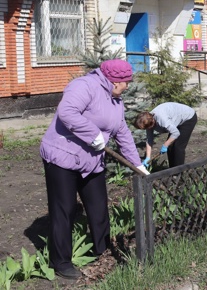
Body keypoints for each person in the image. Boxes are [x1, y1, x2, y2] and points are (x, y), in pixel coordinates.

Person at [40, 59, 147, 280]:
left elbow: (123, 133)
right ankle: (60, 261)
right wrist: (93, 134)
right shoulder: (84, 86)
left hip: (91, 162)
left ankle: (102, 250)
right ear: (115, 80)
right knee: (65, 209)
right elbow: (67, 112)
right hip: (63, 157)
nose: (128, 86)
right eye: (126, 82)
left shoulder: (116, 100)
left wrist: (137, 165)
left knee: (98, 208)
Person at [135, 102, 198, 168]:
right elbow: (149, 139)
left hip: (188, 118)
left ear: (152, 123)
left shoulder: (162, 120)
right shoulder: (147, 120)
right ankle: (172, 170)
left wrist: (165, 145)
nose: (147, 129)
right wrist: (147, 157)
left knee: (178, 147)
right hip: (176, 120)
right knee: (170, 147)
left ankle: (178, 173)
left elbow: (175, 133)